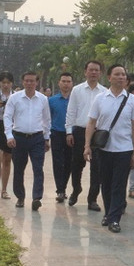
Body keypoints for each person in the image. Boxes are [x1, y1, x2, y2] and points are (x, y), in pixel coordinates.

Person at [83, 64, 134, 233]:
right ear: (109, 78)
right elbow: (91, 123)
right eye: (117, 74)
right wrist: (87, 146)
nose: (121, 77)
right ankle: (109, 213)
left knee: (119, 184)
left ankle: (115, 218)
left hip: (124, 149)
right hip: (103, 149)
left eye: (123, 74)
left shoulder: (132, 100)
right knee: (106, 184)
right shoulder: (100, 98)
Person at [3, 71, 51, 211]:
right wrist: (9, 136)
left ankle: (37, 197)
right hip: (18, 138)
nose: (29, 84)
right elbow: (7, 117)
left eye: (32, 81)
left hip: (37, 138)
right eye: (27, 81)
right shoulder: (15, 98)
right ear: (23, 82)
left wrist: (46, 137)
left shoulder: (42, 99)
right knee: (19, 169)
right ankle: (20, 196)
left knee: (38, 168)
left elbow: (46, 119)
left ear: (37, 82)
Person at [66, 60, 107, 211]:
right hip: (79, 131)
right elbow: (71, 112)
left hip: (98, 134)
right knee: (76, 165)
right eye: (91, 70)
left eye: (97, 70)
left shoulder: (104, 92)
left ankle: (92, 199)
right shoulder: (77, 90)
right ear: (85, 72)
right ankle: (76, 189)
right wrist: (69, 132)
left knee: (96, 167)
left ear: (100, 73)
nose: (94, 73)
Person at [48, 72, 74, 203]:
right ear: (59, 83)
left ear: (72, 84)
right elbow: (47, 119)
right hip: (57, 133)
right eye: (63, 81)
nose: (66, 84)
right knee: (58, 162)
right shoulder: (52, 101)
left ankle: (64, 186)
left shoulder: (75, 100)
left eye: (68, 81)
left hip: (72, 135)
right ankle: (60, 190)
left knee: (69, 162)